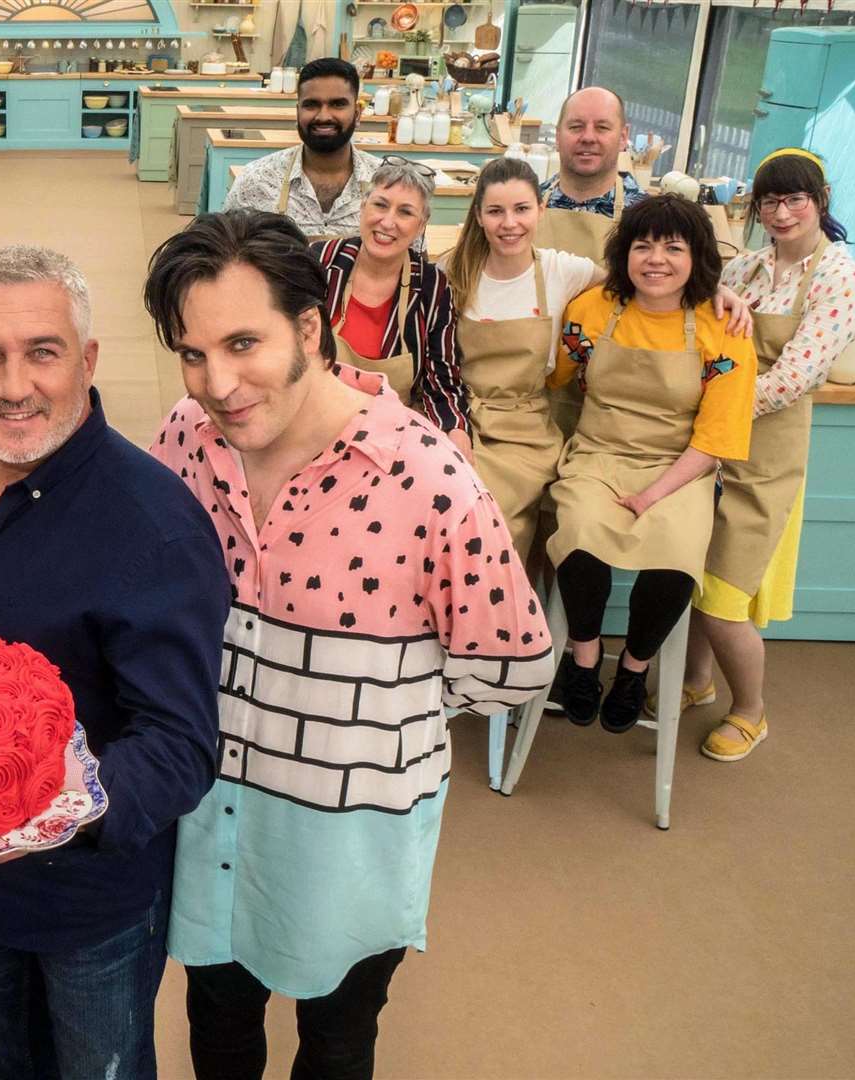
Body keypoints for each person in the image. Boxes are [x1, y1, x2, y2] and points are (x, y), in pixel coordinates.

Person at [144, 209, 552, 1080]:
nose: (218, 382)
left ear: (307, 326)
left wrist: (376, 715)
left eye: (242, 344)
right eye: (191, 352)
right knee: (216, 1022)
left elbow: (513, 663)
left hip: (349, 837)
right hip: (210, 818)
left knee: (335, 1040)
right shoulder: (185, 437)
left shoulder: (428, 475)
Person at [0, 245, 228, 1080]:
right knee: (9, 1054)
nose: (13, 385)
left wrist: (42, 810)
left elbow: (180, 746)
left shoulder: (152, 527)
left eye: (41, 353)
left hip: (90, 898)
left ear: (87, 360)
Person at [680, 149, 855, 762]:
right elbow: (702, 330)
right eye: (769, 201)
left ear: (820, 201)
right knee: (691, 565)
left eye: (794, 199)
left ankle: (750, 711)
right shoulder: (750, 269)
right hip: (713, 441)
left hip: (765, 452)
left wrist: (710, 409)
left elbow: (794, 378)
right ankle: (693, 680)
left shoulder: (840, 277)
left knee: (725, 588)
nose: (781, 212)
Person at [545, 194, 755, 732]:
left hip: (681, 466)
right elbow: (554, 381)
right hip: (597, 455)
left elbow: (717, 437)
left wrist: (653, 496)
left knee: (678, 551)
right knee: (580, 533)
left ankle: (635, 669)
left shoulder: (723, 328)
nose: (655, 259)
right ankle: (584, 658)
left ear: (697, 257)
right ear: (624, 254)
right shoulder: (591, 309)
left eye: (673, 247)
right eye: (643, 245)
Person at [444, 157, 602, 560]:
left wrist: (712, 293)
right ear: (478, 216)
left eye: (521, 209)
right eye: (495, 211)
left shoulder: (560, 270)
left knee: (492, 522)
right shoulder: (453, 270)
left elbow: (638, 281)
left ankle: (502, 616)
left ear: (541, 210)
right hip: (461, 421)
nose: (509, 223)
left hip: (525, 431)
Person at [309, 162, 472, 460]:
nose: (387, 222)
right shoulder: (322, 262)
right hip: (312, 425)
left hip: (390, 437)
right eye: (380, 205)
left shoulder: (432, 287)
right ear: (363, 208)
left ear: (421, 225)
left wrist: (456, 430)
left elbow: (442, 380)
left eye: (405, 212)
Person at [222, 57, 383, 243]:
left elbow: (410, 262)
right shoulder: (256, 181)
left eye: (337, 104)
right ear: (298, 112)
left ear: (357, 114)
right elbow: (225, 255)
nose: (323, 116)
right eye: (311, 105)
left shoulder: (386, 184)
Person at [533, 87, 645, 266]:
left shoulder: (645, 217)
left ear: (623, 137)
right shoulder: (527, 206)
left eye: (602, 128)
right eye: (576, 127)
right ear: (558, 136)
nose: (588, 138)